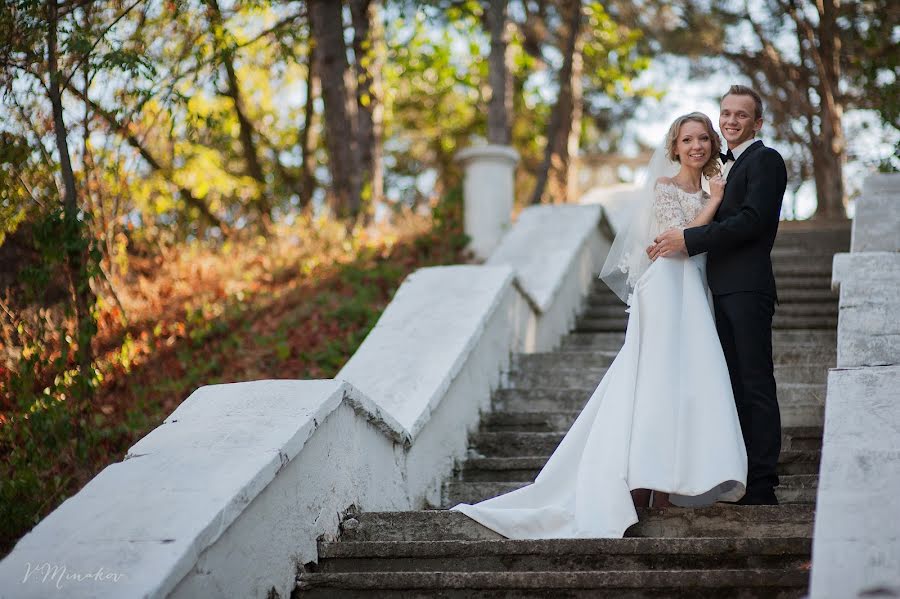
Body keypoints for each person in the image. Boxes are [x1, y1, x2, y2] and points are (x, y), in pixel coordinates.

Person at [448, 112, 747, 539]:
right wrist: (714, 203)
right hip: (666, 287)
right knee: (655, 382)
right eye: (687, 139)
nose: (696, 146)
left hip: (695, 292)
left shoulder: (711, 188)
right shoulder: (665, 188)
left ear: (712, 145)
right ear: (675, 147)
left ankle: (670, 484)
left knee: (687, 383)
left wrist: (715, 197)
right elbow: (674, 241)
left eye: (703, 138)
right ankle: (645, 487)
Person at [649, 85, 787, 505]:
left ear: (757, 122)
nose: (730, 121)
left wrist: (689, 239)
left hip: (747, 288)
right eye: (725, 113)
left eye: (741, 115)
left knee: (755, 383)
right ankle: (739, 473)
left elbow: (752, 220)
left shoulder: (766, 160)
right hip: (713, 291)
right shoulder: (720, 170)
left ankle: (763, 485)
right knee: (732, 388)